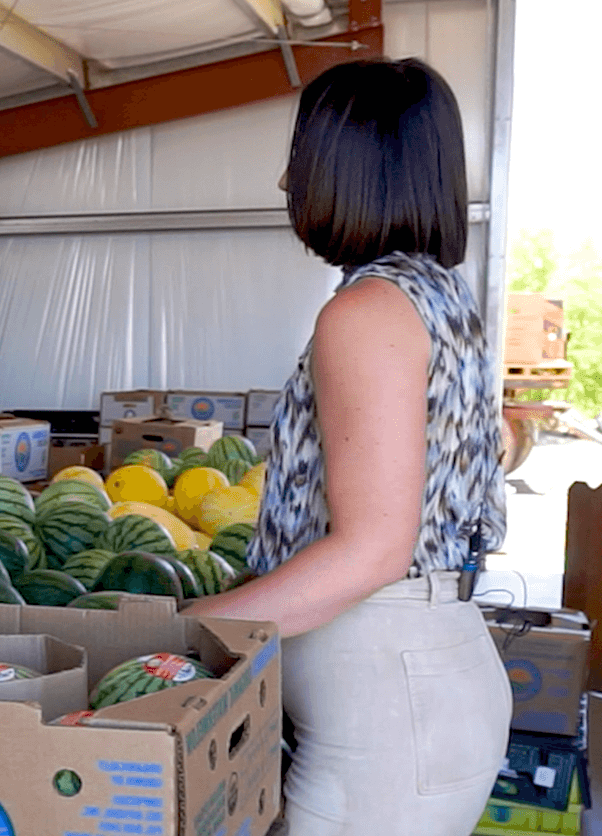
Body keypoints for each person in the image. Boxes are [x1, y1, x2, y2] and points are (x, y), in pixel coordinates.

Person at [178, 58, 511, 836]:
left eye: (303, 157)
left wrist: (191, 629)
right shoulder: (435, 296)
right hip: (414, 691)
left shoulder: (366, 313)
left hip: (388, 714)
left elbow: (371, 552)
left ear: (348, 168)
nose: (288, 180)